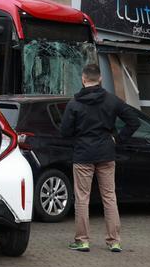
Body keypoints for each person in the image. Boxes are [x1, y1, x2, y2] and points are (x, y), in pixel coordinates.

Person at [57, 63, 140, 253]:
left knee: (82, 199)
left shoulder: (74, 103)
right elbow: (133, 121)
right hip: (106, 153)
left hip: (83, 154)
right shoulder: (112, 100)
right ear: (100, 79)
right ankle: (114, 241)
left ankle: (82, 240)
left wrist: (79, 136)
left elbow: (64, 132)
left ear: (83, 79)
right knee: (109, 197)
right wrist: (117, 138)